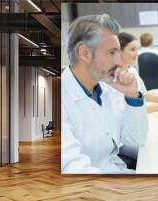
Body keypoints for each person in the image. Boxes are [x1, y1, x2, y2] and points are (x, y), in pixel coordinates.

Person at [61, 14, 148, 174]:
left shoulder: (106, 89)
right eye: (111, 52)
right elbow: (71, 167)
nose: (119, 62)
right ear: (85, 53)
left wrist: (132, 96)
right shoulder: (60, 99)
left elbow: (136, 141)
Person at [118, 32, 158, 113]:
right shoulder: (114, 78)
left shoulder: (132, 71)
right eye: (133, 50)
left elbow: (144, 94)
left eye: (137, 49)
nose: (137, 54)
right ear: (119, 51)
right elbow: (130, 110)